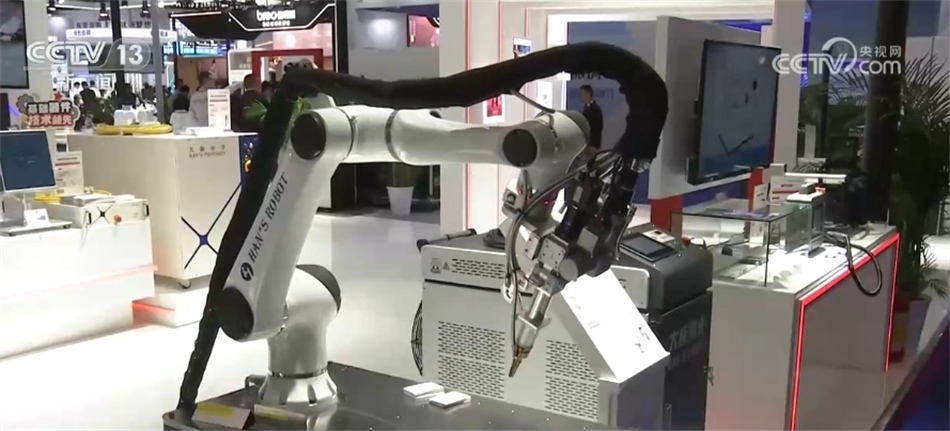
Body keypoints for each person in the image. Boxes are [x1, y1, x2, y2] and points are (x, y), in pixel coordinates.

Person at [579, 84, 604, 157]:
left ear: (588, 94)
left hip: (592, 144)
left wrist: (592, 144)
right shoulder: (586, 109)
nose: (581, 97)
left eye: (582, 94)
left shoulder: (595, 109)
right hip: (586, 143)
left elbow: (597, 128)